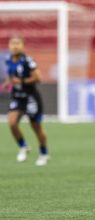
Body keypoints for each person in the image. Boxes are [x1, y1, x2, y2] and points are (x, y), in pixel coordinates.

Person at [1, 36, 49, 166]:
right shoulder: (8, 59)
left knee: (36, 127)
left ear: (23, 46)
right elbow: (11, 76)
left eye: (18, 43)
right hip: (17, 96)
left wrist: (21, 81)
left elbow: (38, 78)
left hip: (30, 97)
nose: (15, 46)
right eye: (13, 43)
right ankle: (23, 146)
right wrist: (7, 83)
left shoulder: (28, 61)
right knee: (11, 122)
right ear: (9, 46)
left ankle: (44, 153)